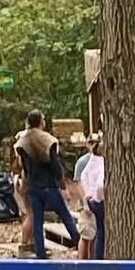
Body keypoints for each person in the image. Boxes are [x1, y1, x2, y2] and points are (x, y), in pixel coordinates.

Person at [15, 110, 81, 258]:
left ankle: (41, 252)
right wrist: (63, 186)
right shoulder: (48, 140)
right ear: (41, 122)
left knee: (38, 221)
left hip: (34, 186)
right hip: (49, 185)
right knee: (65, 215)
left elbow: (25, 167)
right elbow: (55, 165)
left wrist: (25, 184)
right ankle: (79, 242)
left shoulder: (23, 142)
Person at [79, 134, 106, 258]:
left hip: (90, 200)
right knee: (101, 231)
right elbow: (100, 185)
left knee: (95, 231)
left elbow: (83, 176)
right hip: (98, 201)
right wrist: (98, 197)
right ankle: (99, 257)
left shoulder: (91, 161)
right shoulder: (102, 164)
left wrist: (88, 194)